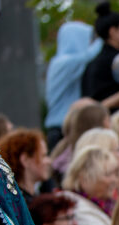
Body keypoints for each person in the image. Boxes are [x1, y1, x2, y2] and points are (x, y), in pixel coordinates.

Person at [44, 21, 103, 149]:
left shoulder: (59, 62)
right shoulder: (65, 63)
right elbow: (90, 55)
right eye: (88, 39)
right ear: (77, 40)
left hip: (59, 128)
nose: (90, 43)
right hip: (61, 129)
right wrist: (104, 35)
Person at [0, 129, 54, 202]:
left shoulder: (14, 199)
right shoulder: (19, 205)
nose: (49, 161)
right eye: (43, 156)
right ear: (25, 160)